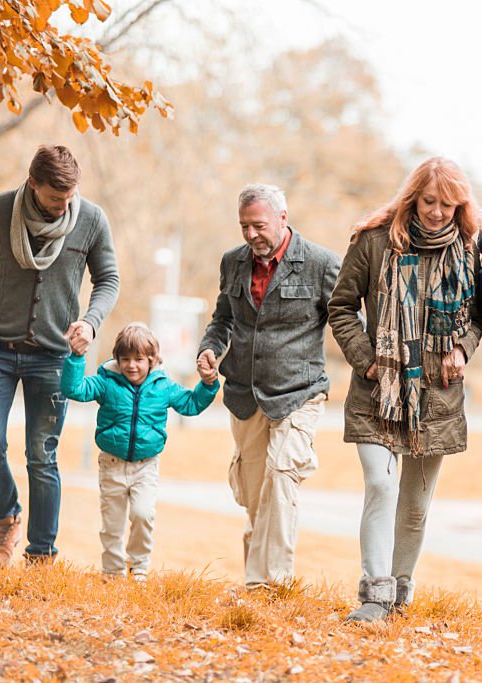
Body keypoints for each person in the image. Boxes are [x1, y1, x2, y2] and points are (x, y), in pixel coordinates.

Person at [328, 157, 482, 622]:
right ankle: (373, 594)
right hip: (379, 389)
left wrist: (463, 347)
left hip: (436, 392)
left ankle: (397, 593)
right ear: (412, 196)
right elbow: (340, 307)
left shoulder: (469, 250)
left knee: (414, 508)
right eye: (429, 201)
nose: (437, 212)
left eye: (448, 204)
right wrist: (368, 361)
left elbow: (477, 316)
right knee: (380, 484)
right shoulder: (373, 241)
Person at [0, 145, 120, 566]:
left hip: (53, 356)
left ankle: (41, 554)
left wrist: (90, 322)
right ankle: (6, 518)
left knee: (42, 455)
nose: (62, 206)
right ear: (33, 183)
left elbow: (108, 279)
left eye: (69, 198)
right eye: (53, 198)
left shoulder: (90, 219)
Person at [196, 183, 341, 589]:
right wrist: (210, 349)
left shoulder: (320, 263)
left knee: (282, 475)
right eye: (244, 227)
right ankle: (257, 572)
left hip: (300, 391)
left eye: (258, 225)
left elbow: (345, 321)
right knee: (256, 495)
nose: (250, 235)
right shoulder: (233, 263)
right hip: (245, 393)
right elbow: (222, 318)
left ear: (282, 218)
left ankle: (270, 586)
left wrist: (369, 366)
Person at [60, 323, 219, 580]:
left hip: (145, 466)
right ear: (117, 358)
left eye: (139, 359)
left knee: (143, 515)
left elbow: (191, 404)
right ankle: (112, 572)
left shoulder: (163, 386)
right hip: (112, 464)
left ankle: (139, 567)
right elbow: (74, 389)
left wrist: (208, 384)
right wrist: (77, 357)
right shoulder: (106, 383)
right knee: (112, 524)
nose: (131, 365)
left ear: (152, 360)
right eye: (125, 359)